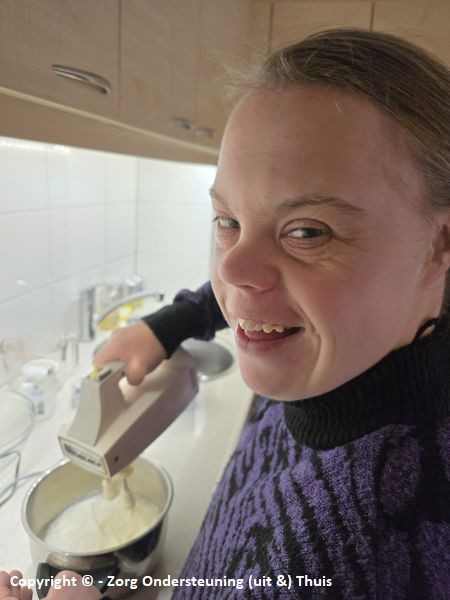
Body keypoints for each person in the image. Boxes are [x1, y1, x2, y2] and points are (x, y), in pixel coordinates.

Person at [3, 27, 450, 599]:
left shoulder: (353, 556)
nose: (232, 270)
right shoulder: (369, 345)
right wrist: (171, 323)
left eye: (307, 232)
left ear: (439, 244)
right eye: (228, 221)